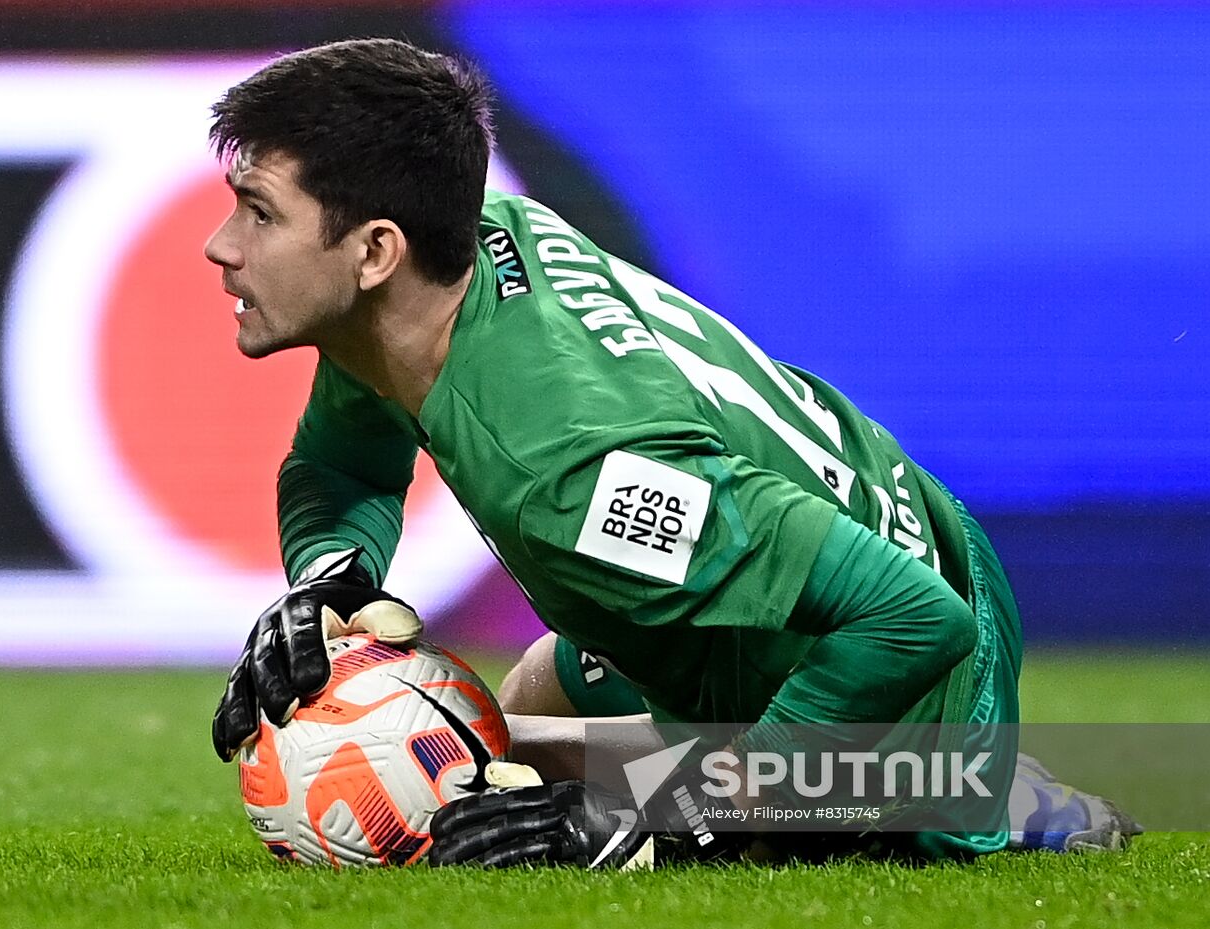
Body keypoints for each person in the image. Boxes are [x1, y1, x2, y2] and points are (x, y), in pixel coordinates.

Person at [202, 37, 1136, 866]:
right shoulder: (461, 258)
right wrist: (330, 580)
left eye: (259, 213)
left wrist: (668, 811)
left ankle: (968, 793)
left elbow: (914, 619)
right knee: (531, 699)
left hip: (917, 645)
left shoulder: (577, 471)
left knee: (710, 829)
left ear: (374, 251)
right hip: (856, 527)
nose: (219, 245)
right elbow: (343, 464)